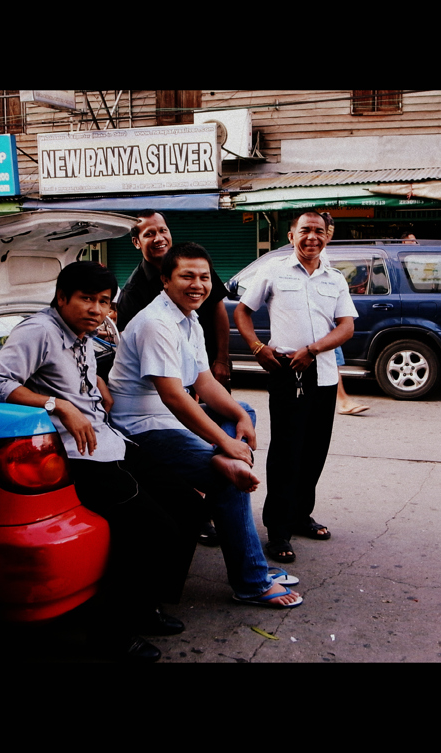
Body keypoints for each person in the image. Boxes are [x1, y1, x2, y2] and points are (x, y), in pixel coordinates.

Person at [0, 262, 199, 662]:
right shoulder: (39, 330)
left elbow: (69, 376)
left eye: (103, 302)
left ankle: (146, 605)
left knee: (188, 503)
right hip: (82, 456)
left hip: (110, 440)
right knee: (152, 530)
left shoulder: (81, 335)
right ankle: (112, 638)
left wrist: (92, 385)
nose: (96, 310)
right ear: (62, 298)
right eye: (86, 299)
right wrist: (58, 404)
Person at [109, 242, 302, 608]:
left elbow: (204, 383)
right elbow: (174, 397)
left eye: (203, 277)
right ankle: (251, 582)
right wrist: (225, 445)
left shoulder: (188, 317)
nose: (197, 284)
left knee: (240, 410)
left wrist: (241, 418)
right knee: (228, 479)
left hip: (167, 419)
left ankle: (222, 467)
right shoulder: (156, 322)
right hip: (141, 428)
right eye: (187, 276)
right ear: (165, 280)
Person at [233, 210, 357, 564]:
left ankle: (301, 515)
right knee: (287, 451)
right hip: (287, 371)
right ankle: (278, 529)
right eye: (305, 231)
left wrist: (315, 349)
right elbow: (242, 312)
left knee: (315, 449)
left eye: (319, 231)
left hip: (324, 372)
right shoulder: (272, 272)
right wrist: (258, 347)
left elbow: (346, 326)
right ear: (291, 236)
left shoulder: (334, 278)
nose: (312, 237)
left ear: (327, 236)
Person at [116, 210, 230, 546]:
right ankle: (205, 507)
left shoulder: (191, 270)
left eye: (162, 230)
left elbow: (219, 311)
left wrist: (220, 361)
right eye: (149, 234)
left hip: (187, 381)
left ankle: (205, 502)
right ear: (137, 242)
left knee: (240, 414)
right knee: (227, 471)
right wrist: (226, 445)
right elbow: (168, 392)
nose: (159, 238)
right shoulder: (140, 298)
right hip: (157, 405)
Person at [319, 213, 368, 417]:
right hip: (325, 319)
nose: (328, 236)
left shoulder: (324, 254)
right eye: (326, 231)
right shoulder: (318, 255)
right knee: (331, 357)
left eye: (329, 232)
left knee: (332, 358)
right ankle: (341, 400)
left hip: (329, 318)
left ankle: (341, 399)